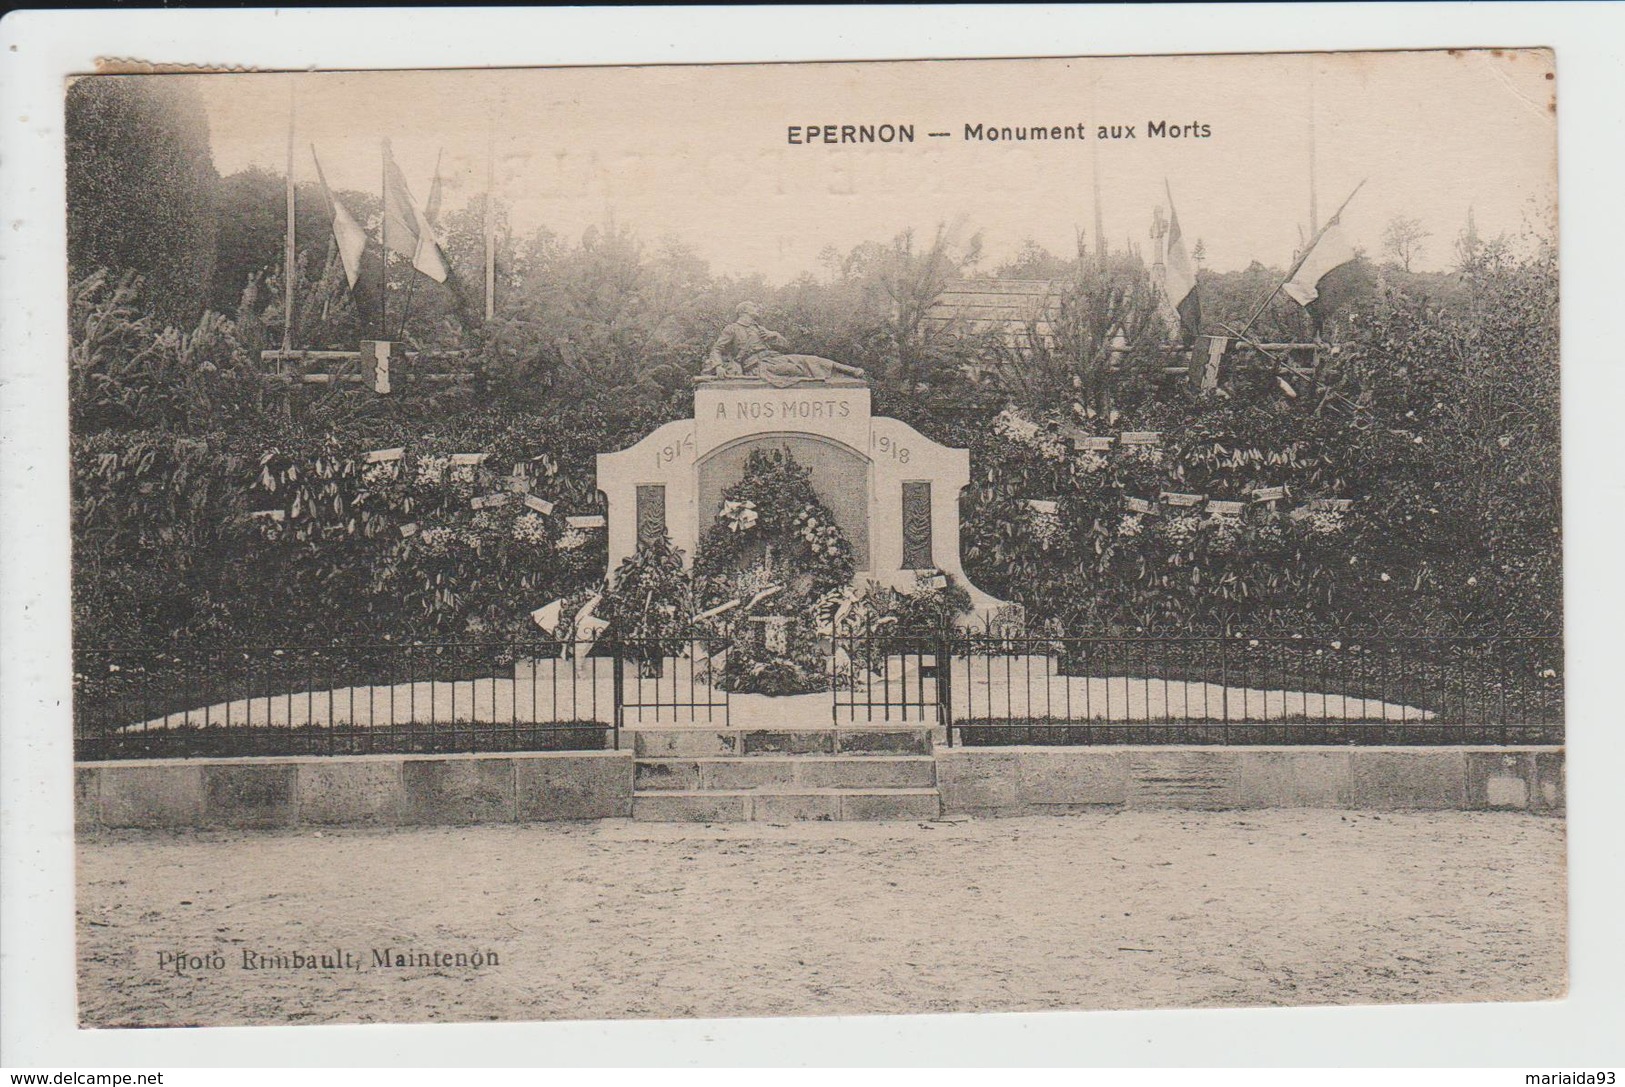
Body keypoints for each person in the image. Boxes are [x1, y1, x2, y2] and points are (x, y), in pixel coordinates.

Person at [701, 302, 866, 387]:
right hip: (758, 366)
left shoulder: (760, 328)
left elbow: (786, 347)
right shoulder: (732, 329)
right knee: (794, 370)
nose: (757, 309)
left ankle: (851, 372)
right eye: (753, 307)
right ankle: (827, 380)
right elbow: (717, 349)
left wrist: (775, 335)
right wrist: (718, 367)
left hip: (776, 358)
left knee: (811, 359)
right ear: (744, 311)